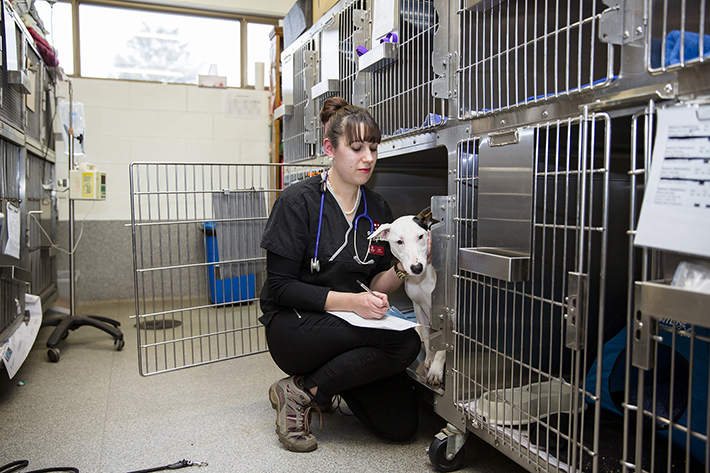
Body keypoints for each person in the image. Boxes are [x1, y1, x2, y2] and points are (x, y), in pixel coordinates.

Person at [259, 97, 421, 452]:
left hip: (351, 329)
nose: (368, 158)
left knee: (400, 426)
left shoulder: (377, 209)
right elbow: (280, 287)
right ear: (330, 148)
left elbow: (377, 282)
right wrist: (353, 302)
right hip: (296, 325)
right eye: (357, 147)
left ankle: (320, 384)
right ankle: (302, 393)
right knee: (404, 343)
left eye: (374, 148)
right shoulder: (297, 202)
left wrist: (406, 264)